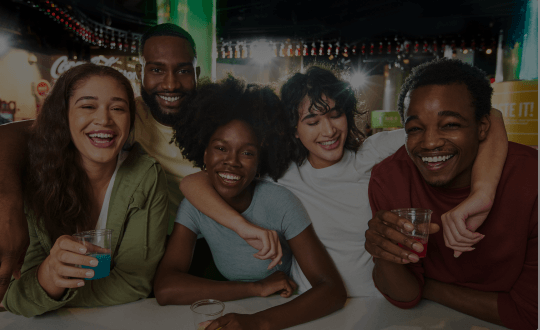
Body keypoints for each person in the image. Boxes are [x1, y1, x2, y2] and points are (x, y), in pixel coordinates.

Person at [0, 23, 280, 312]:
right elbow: (2, 137)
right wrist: (3, 203)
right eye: (157, 69)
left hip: (223, 244)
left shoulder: (218, 120)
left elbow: (200, 182)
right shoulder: (126, 117)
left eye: (183, 71)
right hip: (159, 248)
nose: (170, 83)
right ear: (140, 71)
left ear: (197, 73)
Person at [179, 66, 508, 296]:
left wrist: (482, 194)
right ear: (294, 129)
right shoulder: (284, 172)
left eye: (335, 114)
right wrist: (243, 227)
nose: (328, 130)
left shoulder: (372, 154)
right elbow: (193, 182)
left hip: (380, 303)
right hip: (311, 304)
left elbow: (490, 117)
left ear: (348, 114)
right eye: (312, 120)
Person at [0, 63, 169, 317]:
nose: (104, 119)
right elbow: (11, 294)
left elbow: (134, 283)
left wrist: (46, 289)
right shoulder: (19, 178)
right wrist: (48, 275)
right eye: (88, 106)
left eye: (118, 108)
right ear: (63, 115)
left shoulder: (145, 176)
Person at [154, 77, 345, 330]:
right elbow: (165, 288)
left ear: (260, 161)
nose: (231, 161)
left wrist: (257, 322)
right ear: (204, 153)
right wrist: (254, 288)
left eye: (247, 153)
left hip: (283, 310)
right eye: (221, 148)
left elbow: (331, 289)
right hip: (237, 305)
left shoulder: (279, 202)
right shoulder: (194, 206)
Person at [366, 58, 537, 330]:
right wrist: (384, 253)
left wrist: (428, 288)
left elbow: (529, 313)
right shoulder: (390, 179)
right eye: (415, 129)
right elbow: (405, 297)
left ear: (482, 127)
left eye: (450, 125)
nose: (430, 142)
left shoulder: (529, 178)